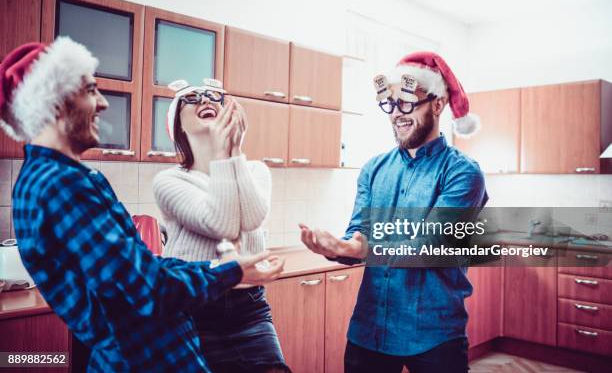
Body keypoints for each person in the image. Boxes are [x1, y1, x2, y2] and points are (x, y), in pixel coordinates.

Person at [0, 37, 284, 372]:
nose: (103, 103)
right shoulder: (60, 185)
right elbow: (144, 285)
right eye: (91, 90)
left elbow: (139, 270)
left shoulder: (62, 178)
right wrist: (230, 271)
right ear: (56, 101)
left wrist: (222, 271)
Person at [299, 52, 488, 373]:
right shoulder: (374, 169)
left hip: (434, 334)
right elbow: (358, 236)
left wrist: (363, 248)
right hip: (369, 330)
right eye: (390, 105)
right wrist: (340, 249)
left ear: (438, 104)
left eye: (407, 103)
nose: (396, 114)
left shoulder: (463, 173)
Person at [152, 78, 289, 372]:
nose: (206, 101)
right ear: (179, 127)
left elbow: (252, 220)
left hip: (249, 306)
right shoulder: (170, 180)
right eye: (192, 99)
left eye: (214, 97)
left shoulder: (255, 169)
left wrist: (233, 153)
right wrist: (225, 156)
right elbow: (222, 225)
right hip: (193, 309)